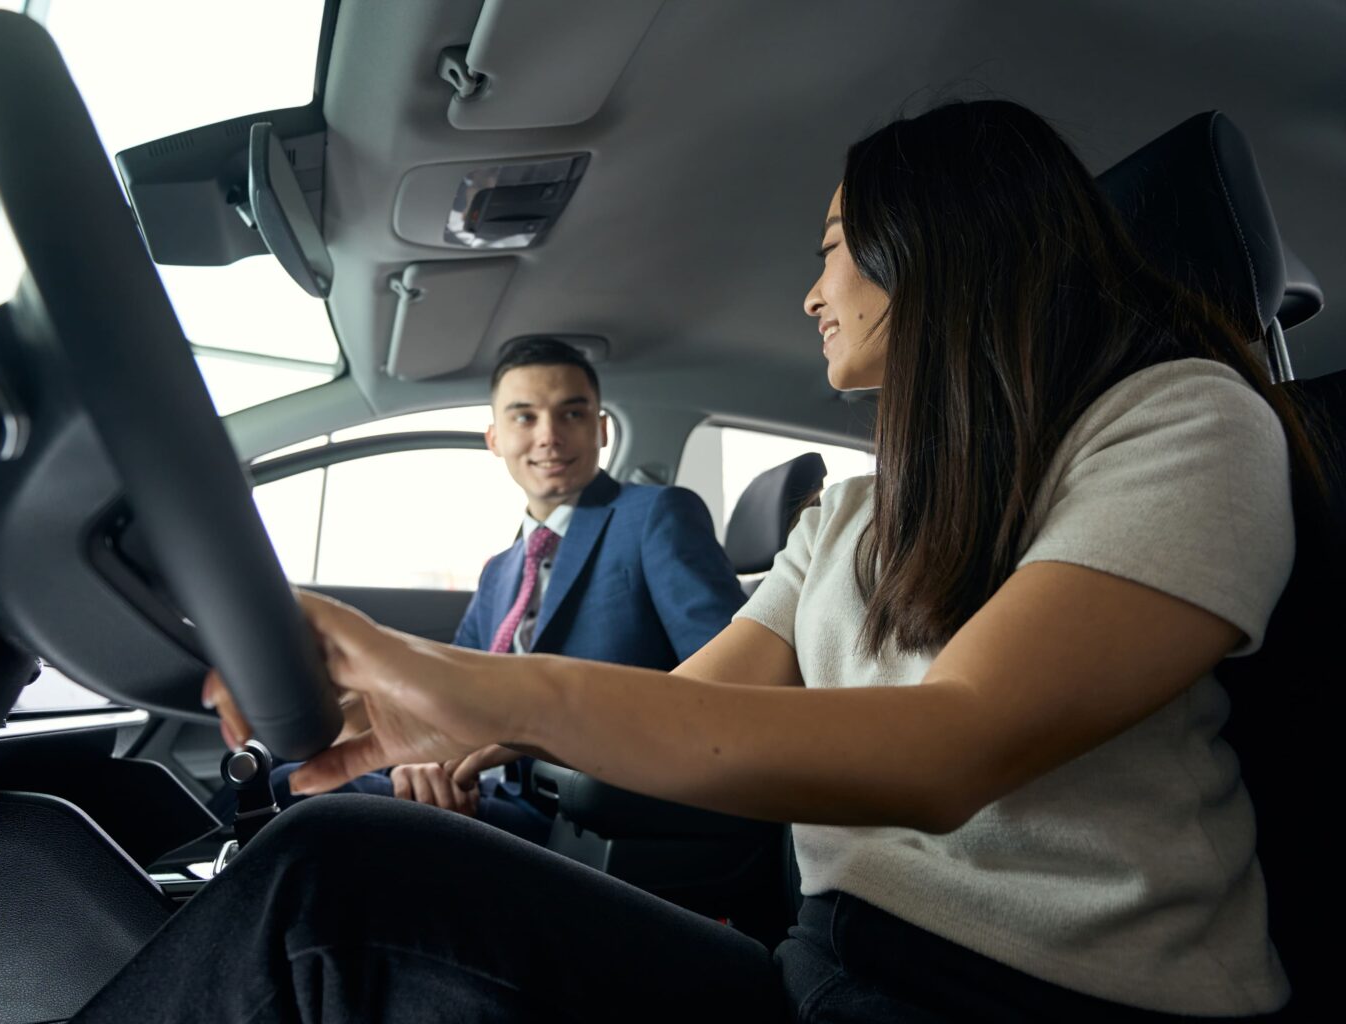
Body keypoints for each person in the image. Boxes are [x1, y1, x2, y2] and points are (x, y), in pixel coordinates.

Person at [88, 100, 1327, 1022]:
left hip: (1053, 1001)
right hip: (829, 968)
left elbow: (959, 745)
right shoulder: (848, 516)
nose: (810, 292)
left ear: (934, 244)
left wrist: (483, 686)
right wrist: (439, 722)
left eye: (836, 245)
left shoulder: (1180, 422)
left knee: (333, 902)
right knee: (334, 866)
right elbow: (696, 707)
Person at [263, 337, 747, 843]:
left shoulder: (655, 515)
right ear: (494, 438)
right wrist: (421, 760)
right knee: (281, 765)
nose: (549, 437)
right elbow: (451, 692)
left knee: (293, 794)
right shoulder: (501, 569)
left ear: (601, 430)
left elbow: (728, 689)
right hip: (485, 790)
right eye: (524, 417)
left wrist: (542, 728)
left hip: (584, 812)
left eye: (572, 415)